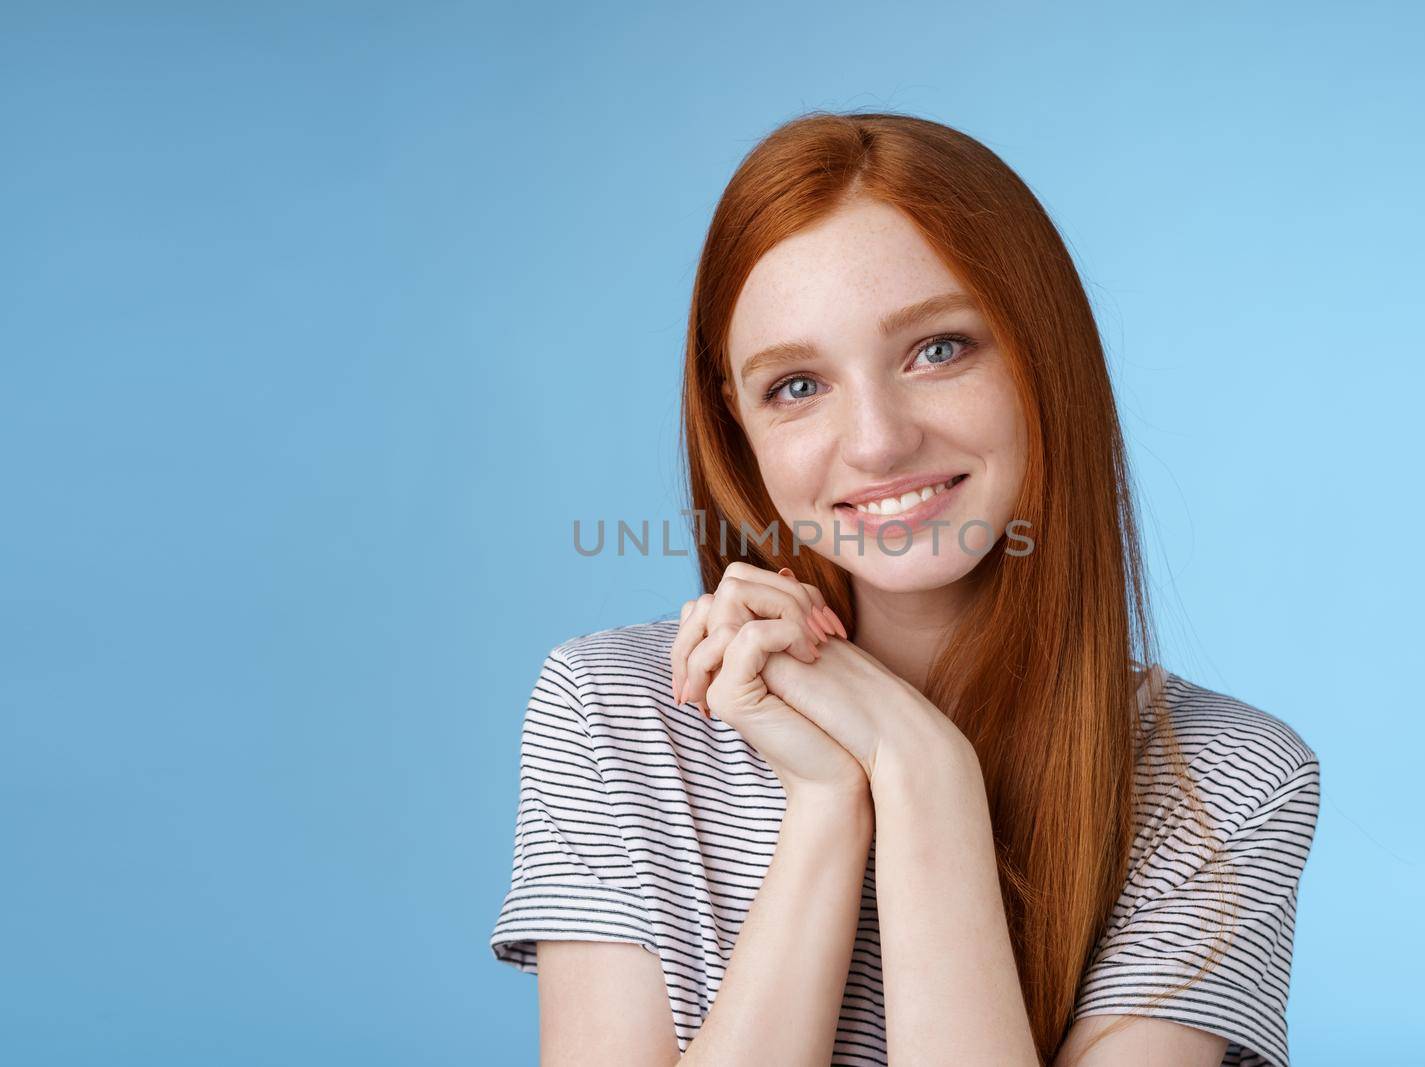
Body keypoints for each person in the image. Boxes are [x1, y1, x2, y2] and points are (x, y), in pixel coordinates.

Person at [489, 111, 1321, 1067]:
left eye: (938, 349)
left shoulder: (1224, 783)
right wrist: (827, 802)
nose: (878, 441)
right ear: (741, 429)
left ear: (1040, 358)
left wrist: (926, 775)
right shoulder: (614, 714)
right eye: (797, 385)